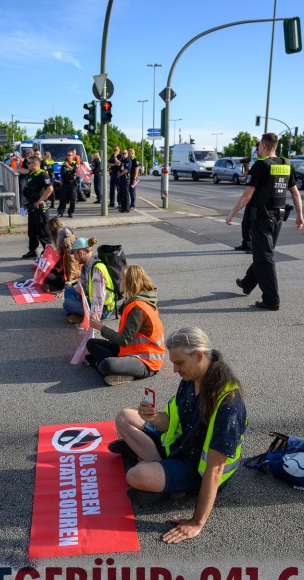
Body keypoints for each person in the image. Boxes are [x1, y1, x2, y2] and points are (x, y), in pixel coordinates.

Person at [108, 326, 247, 544]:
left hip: (197, 470)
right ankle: (157, 470)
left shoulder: (228, 404)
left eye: (179, 362)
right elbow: (171, 421)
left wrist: (196, 522)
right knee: (124, 417)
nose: (174, 369)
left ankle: (159, 474)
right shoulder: (190, 380)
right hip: (179, 446)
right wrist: (153, 418)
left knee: (135, 476)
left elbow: (215, 469)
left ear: (198, 355)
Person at [226, 133, 303, 310]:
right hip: (278, 218)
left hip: (262, 218)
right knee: (264, 252)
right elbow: (295, 193)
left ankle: (271, 299)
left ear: (266, 146)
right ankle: (247, 283)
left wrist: (231, 213)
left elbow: (247, 195)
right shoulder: (285, 164)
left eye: (259, 145)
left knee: (265, 258)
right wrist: (300, 215)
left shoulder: (260, 166)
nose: (257, 148)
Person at [86, 265, 165, 386]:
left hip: (147, 361)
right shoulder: (137, 301)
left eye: (121, 279)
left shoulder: (138, 307)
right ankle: (112, 367)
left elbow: (124, 340)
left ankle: (105, 366)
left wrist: (100, 327)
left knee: (107, 365)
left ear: (130, 282)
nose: (118, 281)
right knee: (91, 343)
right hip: (132, 350)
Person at [63, 237, 115, 324]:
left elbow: (98, 299)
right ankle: (78, 314)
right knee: (68, 290)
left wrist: (94, 320)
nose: (74, 258)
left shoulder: (97, 270)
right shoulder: (85, 266)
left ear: (81, 253)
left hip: (103, 309)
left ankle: (80, 315)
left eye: (75, 254)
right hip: (89, 300)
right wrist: (78, 289)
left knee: (67, 304)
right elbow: (82, 285)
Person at [21, 156, 53, 259]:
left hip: (40, 208)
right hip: (32, 206)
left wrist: (40, 201)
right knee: (32, 231)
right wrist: (27, 202)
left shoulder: (43, 175)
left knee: (42, 231)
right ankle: (32, 250)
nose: (28, 165)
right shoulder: (32, 175)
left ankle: (48, 252)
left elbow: (50, 189)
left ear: (35, 164)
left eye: (29, 163)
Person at [235, 143, 260, 253]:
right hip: (251, 198)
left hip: (258, 198)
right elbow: (246, 175)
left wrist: (232, 213)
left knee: (254, 224)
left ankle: (252, 246)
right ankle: (246, 243)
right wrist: (246, 165)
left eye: (257, 149)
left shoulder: (263, 164)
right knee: (245, 223)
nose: (256, 152)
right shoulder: (256, 163)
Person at [44, 218, 80, 291]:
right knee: (46, 269)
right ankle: (53, 285)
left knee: (46, 275)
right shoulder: (67, 247)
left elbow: (71, 271)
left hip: (71, 277)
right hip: (65, 271)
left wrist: (66, 288)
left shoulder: (70, 252)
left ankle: (55, 286)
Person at [57, 150, 79, 218]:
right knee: (62, 198)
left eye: (69, 155)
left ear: (73, 156)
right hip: (65, 183)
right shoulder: (64, 164)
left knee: (73, 199)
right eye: (67, 155)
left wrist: (68, 166)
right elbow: (61, 173)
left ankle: (70, 212)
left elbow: (74, 170)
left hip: (72, 183)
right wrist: (60, 181)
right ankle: (60, 212)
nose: (68, 156)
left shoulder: (75, 163)